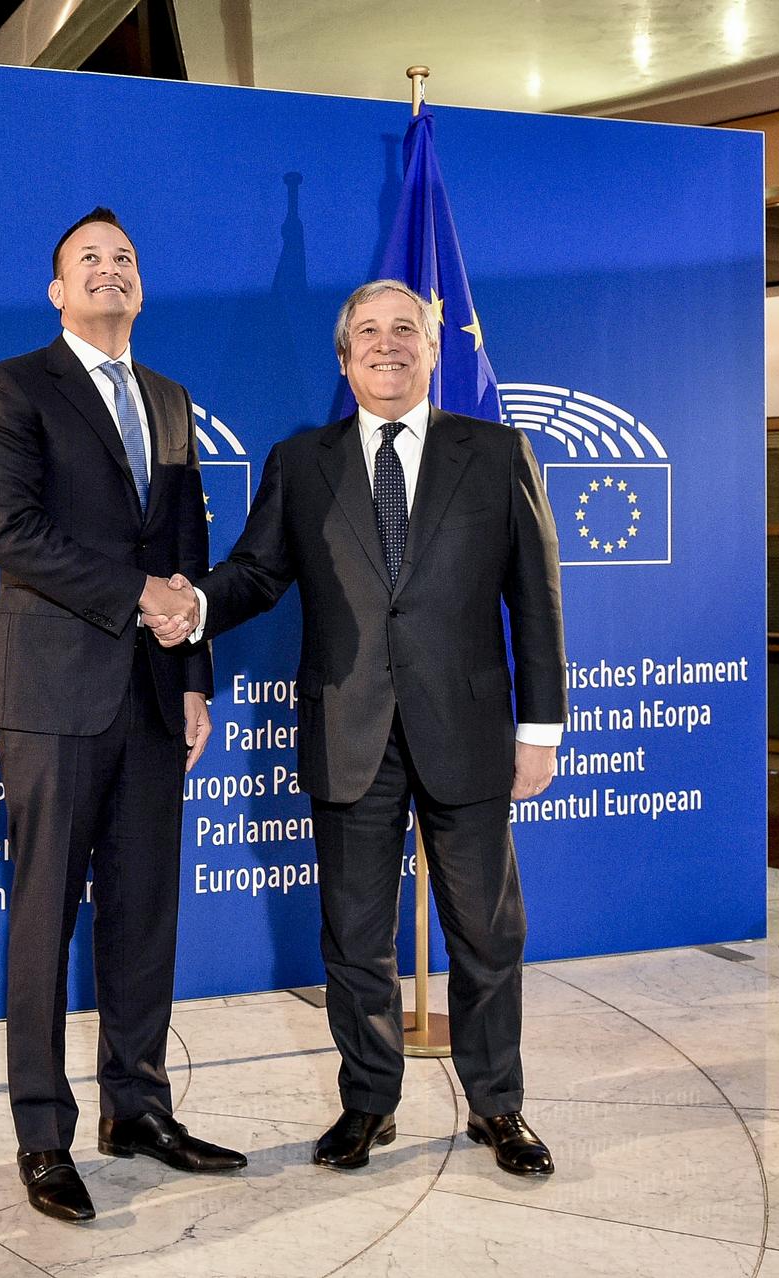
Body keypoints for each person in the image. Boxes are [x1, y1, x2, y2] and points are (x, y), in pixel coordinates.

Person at [171, 279, 565, 1176]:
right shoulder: (301, 462)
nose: (387, 346)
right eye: (368, 334)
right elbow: (256, 575)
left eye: (405, 331)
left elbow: (535, 603)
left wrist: (540, 729)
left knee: (487, 932)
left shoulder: (498, 453)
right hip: (349, 732)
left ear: (433, 351)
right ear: (344, 359)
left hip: (467, 733)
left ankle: (497, 1108)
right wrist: (191, 603)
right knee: (354, 936)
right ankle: (368, 1105)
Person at [0, 208, 244, 1225]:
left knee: (145, 912)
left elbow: (187, 545)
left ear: (143, 285)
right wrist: (137, 598)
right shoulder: (14, 388)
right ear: (56, 291)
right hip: (51, 694)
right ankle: (44, 1136)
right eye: (89, 260)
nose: (110, 270)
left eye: (125, 258)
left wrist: (196, 676)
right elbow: (12, 532)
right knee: (45, 918)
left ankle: (139, 1107)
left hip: (151, 696)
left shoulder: (168, 400)